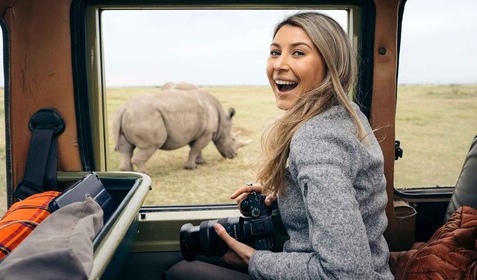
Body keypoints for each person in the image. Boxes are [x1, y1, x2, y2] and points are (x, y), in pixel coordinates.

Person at [167, 11, 394, 279]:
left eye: (298, 53)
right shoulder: (348, 113)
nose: (279, 65)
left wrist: (252, 259)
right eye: (275, 52)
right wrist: (292, 189)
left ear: (330, 63)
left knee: (182, 273)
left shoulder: (317, 138)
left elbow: (347, 273)